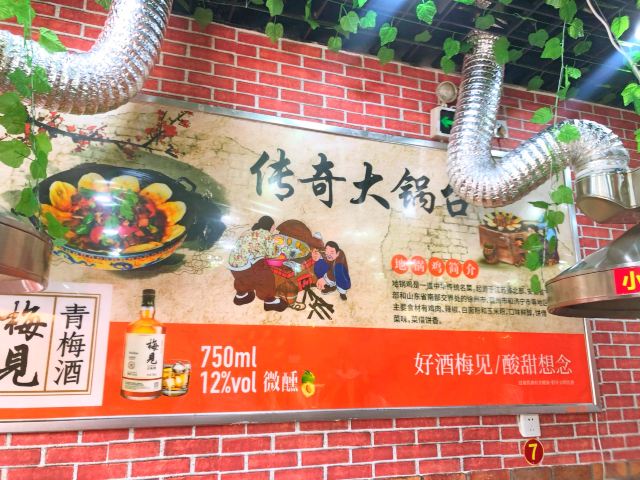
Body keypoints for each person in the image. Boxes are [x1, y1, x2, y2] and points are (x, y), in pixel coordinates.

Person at [227, 215, 288, 312]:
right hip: (249, 264)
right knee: (265, 277)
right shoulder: (267, 234)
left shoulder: (248, 232)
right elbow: (272, 253)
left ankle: (241, 295)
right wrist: (280, 248)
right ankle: (269, 301)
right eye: (273, 227)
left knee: (242, 278)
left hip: (233, 264)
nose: (274, 229)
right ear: (271, 226)